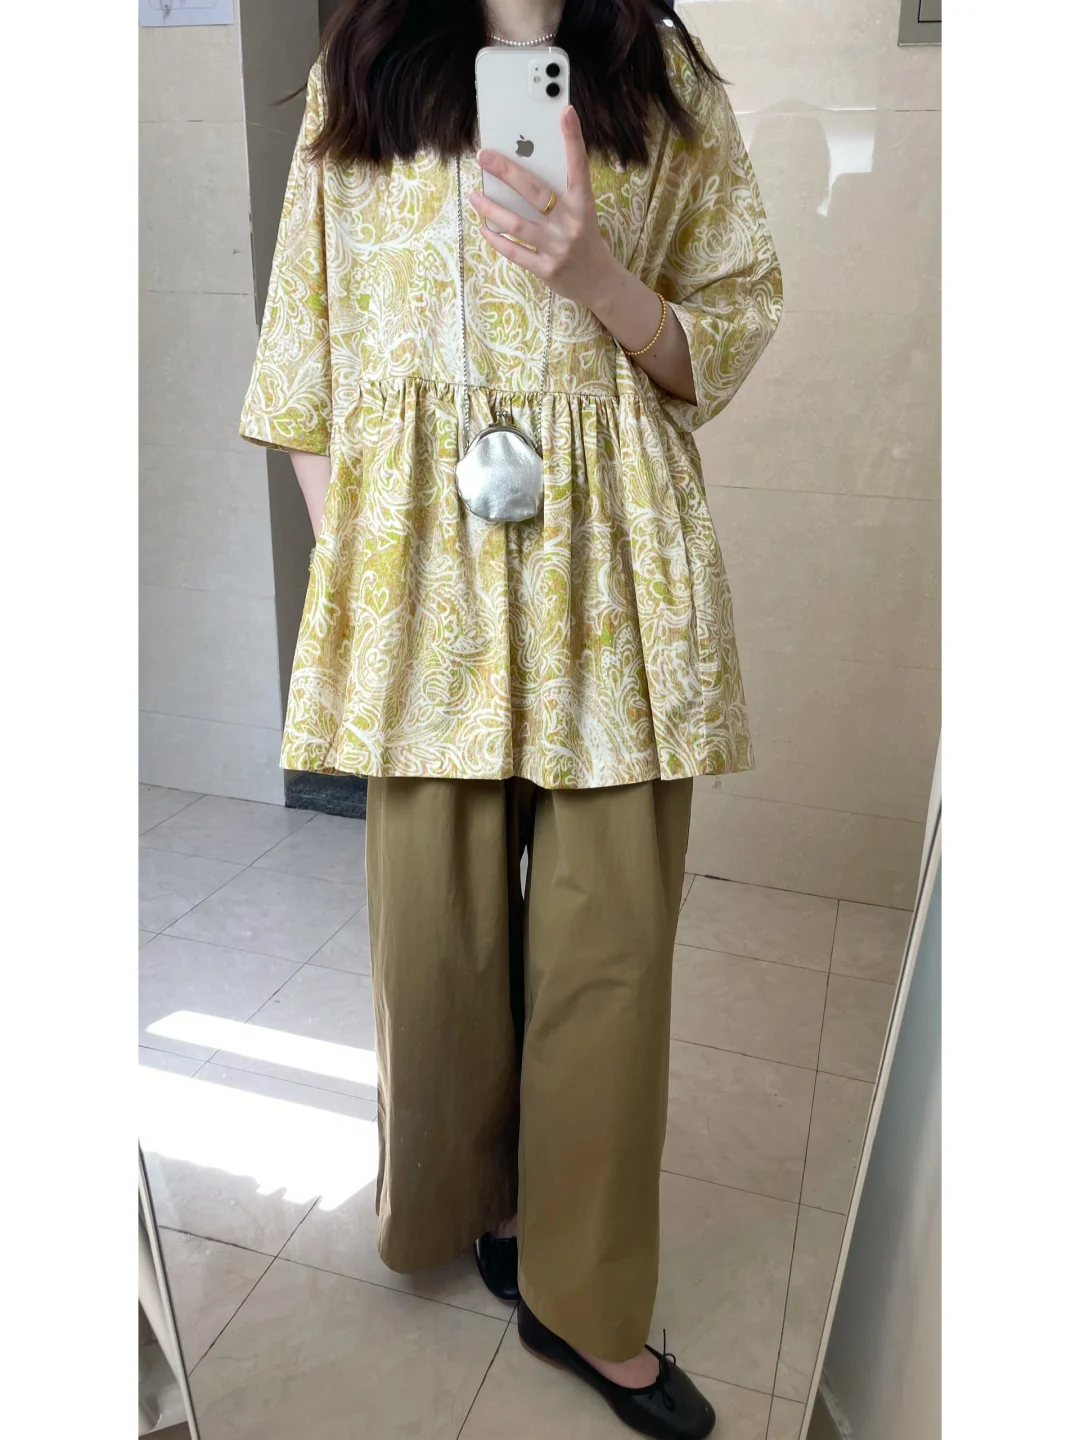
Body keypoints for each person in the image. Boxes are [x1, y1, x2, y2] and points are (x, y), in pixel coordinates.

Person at [240, 2, 781, 1434]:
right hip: (426, 580)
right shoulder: (364, 67)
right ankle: (473, 1202)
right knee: (437, 948)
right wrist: (365, 571)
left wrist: (595, 272)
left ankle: (582, 1295)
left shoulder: (660, 74)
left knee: (611, 957)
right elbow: (304, 348)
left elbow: (725, 324)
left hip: (615, 573)